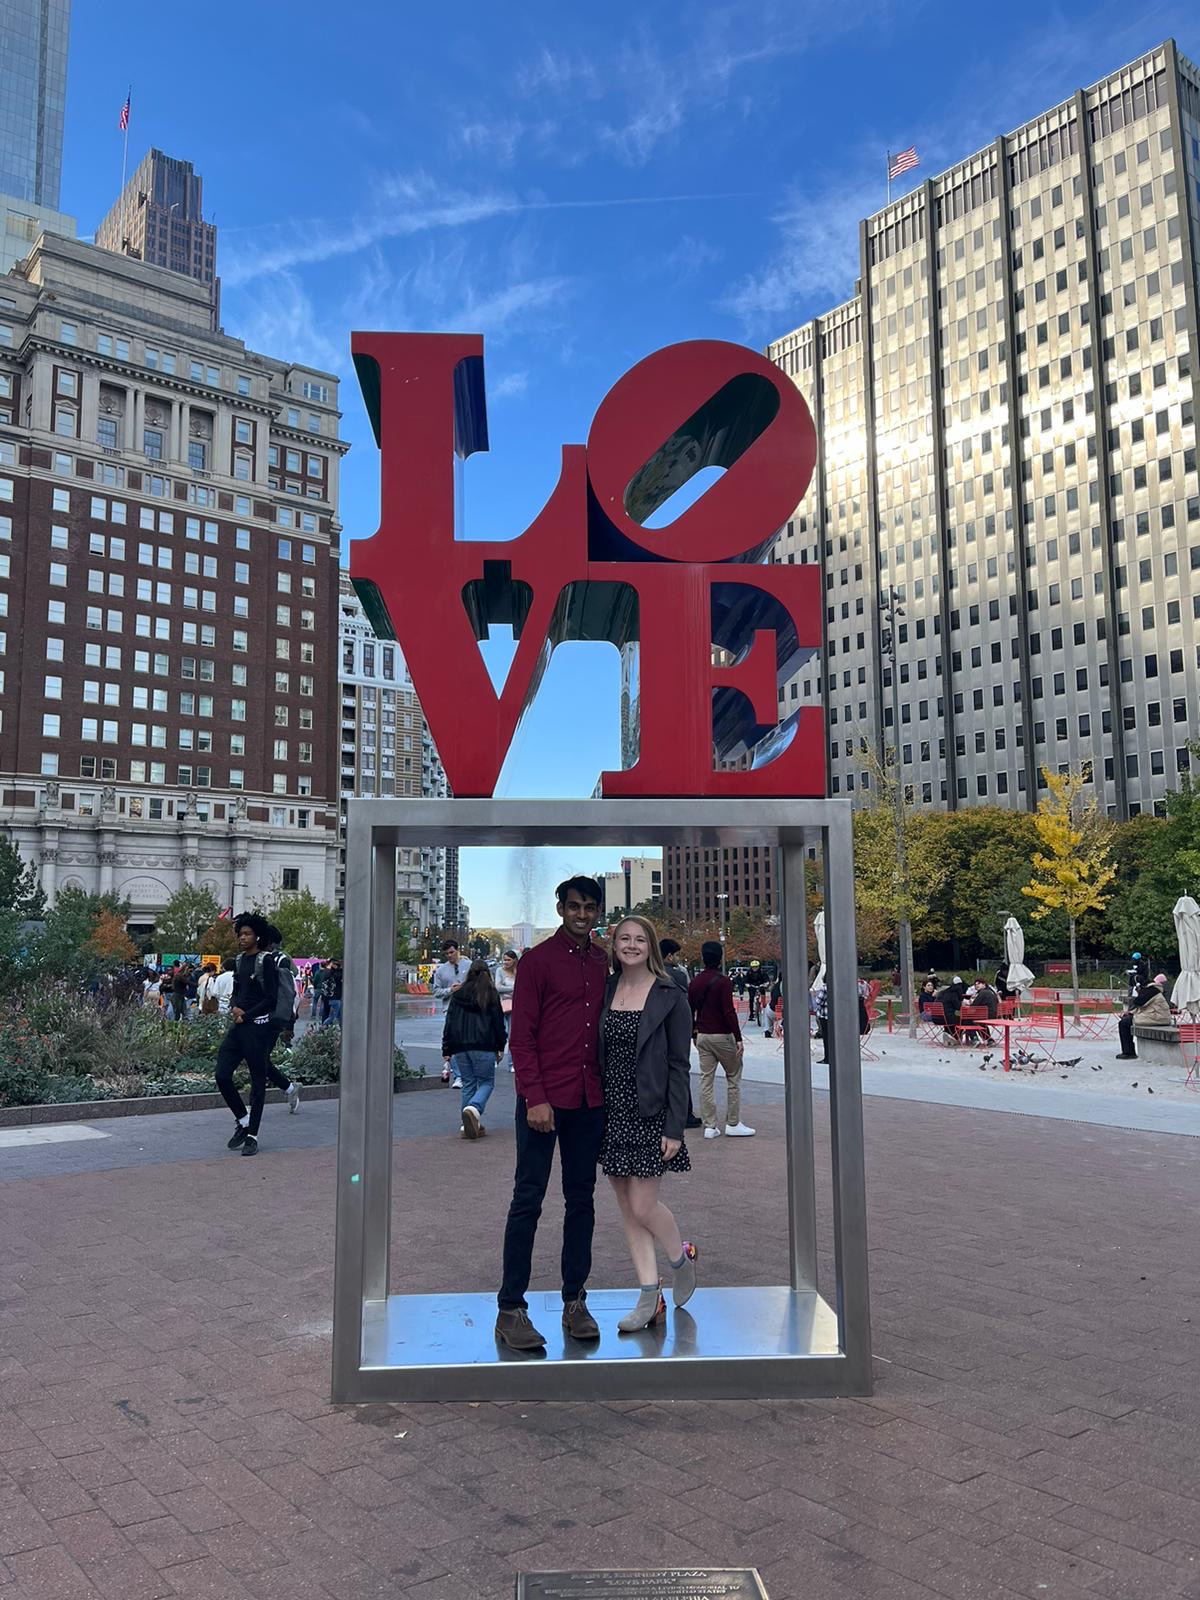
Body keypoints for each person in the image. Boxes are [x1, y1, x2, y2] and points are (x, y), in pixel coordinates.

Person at [496, 877, 609, 1352]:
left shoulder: (604, 962)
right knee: (528, 1199)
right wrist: (535, 1097)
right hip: (544, 1099)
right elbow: (521, 1036)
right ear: (560, 908)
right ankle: (510, 1307)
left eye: (590, 907)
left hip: (588, 1100)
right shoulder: (537, 962)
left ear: (598, 911)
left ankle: (574, 1300)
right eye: (575, 906)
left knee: (582, 1201)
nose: (582, 914)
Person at [601, 917, 696, 1332]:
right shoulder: (607, 988)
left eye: (640, 939)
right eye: (624, 938)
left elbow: (679, 1064)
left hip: (651, 1111)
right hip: (612, 1112)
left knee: (643, 1205)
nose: (631, 945)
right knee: (626, 1206)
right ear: (614, 945)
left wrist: (675, 1126)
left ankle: (679, 1259)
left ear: (651, 947)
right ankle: (648, 1294)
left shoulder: (670, 995)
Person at [214, 913, 299, 1157]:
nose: (242, 938)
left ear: (258, 936)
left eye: (247, 934)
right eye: (240, 934)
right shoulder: (240, 960)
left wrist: (247, 1014)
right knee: (222, 1075)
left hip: (259, 1028)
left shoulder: (267, 961)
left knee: (258, 1082)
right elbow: (237, 991)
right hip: (239, 1027)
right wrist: (234, 1007)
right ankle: (243, 1120)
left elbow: (271, 999)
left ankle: (252, 1135)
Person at [689, 940, 753, 1139]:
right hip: (722, 1035)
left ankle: (710, 1125)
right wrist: (738, 1038)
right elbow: (728, 1012)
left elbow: (689, 1010)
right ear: (720, 958)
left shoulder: (695, 982)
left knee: (706, 1079)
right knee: (733, 1076)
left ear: (702, 957)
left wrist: (693, 1033)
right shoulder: (724, 982)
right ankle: (733, 1122)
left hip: (702, 1035)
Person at [441, 959, 507, 1139]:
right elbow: (498, 1023)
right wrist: (500, 1046)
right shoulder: (490, 994)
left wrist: (446, 1048)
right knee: (486, 1082)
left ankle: (468, 1125)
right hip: (484, 1045)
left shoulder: (458, 994)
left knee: (468, 1083)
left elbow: (450, 1022)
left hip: (461, 1047)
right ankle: (474, 1108)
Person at [660, 939, 703, 1129]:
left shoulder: (649, 973)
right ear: (669, 956)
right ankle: (685, 1113)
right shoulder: (677, 975)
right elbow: (686, 1003)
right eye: (676, 955)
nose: (677, 958)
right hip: (677, 1030)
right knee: (680, 1070)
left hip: (657, 1031)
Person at [1117, 973, 1173, 1059]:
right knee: (1126, 1020)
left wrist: (1139, 992)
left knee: (1124, 1023)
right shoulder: (1153, 989)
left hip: (1158, 1018)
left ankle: (1128, 1052)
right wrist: (1130, 1013)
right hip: (1156, 1016)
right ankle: (1128, 1051)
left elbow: (1139, 1002)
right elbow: (1142, 1006)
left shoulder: (1152, 990)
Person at [494, 949, 519, 1072]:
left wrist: (507, 988)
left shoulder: (518, 971)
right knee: (499, 1034)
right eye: (504, 960)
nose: (506, 962)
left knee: (512, 1036)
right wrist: (514, 988)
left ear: (514, 960)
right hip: (501, 1006)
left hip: (515, 1007)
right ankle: (495, 1059)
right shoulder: (500, 971)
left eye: (508, 960)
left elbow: (523, 987)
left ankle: (512, 1063)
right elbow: (498, 987)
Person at [936, 977, 967, 1044]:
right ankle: (956, 1037)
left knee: (952, 1016)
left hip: (937, 1018)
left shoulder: (942, 993)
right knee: (964, 1020)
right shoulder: (954, 994)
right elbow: (958, 1007)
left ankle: (948, 1034)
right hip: (947, 1019)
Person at [322, 959, 343, 1027]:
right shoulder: (335, 974)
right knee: (333, 1016)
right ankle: (323, 1027)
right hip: (335, 997)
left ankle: (324, 1027)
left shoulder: (327, 973)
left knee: (330, 1015)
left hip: (328, 997)